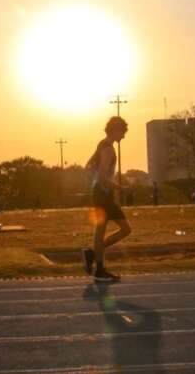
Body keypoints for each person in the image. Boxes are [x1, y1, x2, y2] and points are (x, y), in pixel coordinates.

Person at [81, 116, 132, 282]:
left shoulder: (102, 144)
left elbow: (90, 167)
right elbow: (103, 177)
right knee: (120, 229)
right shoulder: (108, 149)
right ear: (115, 130)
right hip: (102, 193)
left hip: (101, 193)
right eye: (123, 132)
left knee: (113, 230)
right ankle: (99, 268)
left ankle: (94, 256)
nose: (124, 136)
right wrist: (121, 188)